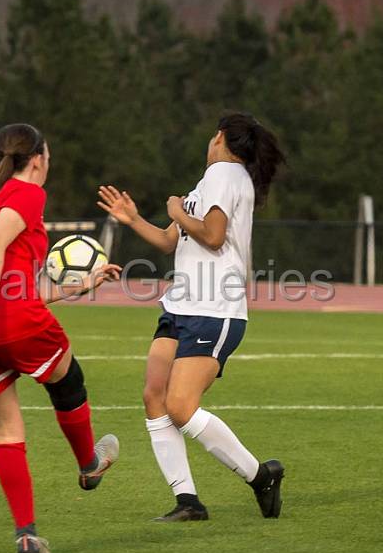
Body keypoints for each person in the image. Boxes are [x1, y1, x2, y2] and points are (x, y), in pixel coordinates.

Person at [97, 112, 286, 522]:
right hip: (181, 305)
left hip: (213, 308)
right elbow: (170, 240)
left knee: (181, 406)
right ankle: (188, 502)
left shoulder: (224, 174)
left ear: (219, 137)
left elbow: (214, 235)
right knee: (155, 396)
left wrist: (177, 211)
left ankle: (260, 476)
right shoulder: (209, 181)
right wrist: (133, 220)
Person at [0, 123, 121, 553]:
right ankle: (89, 465)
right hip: (3, 319)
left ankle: (26, 535)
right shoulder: (27, 193)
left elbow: (14, 279)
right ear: (38, 158)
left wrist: (78, 286)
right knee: (69, 380)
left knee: (8, 430)